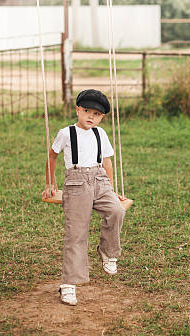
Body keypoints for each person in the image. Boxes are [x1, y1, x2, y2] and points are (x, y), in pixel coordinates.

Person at [41, 89, 126, 306]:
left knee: (116, 210)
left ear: (102, 117)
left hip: (100, 180)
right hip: (76, 181)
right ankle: (68, 284)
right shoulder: (66, 133)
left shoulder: (101, 134)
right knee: (77, 233)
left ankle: (107, 252)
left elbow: (107, 162)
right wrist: (50, 183)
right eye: (87, 111)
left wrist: (111, 188)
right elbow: (52, 155)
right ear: (78, 109)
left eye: (97, 114)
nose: (91, 117)